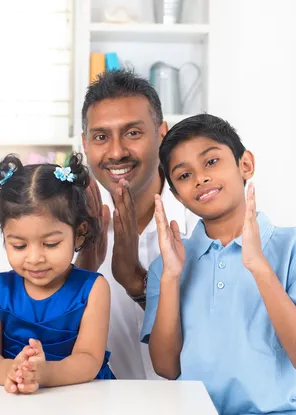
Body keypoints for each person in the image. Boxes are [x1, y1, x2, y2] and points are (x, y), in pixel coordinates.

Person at [143, 114, 296, 414]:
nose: (200, 178)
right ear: (176, 196)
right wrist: (172, 276)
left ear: (245, 164)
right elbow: (167, 367)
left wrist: (258, 265)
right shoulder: (169, 264)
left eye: (211, 162)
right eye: (184, 175)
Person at [77, 69, 199, 379]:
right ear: (85, 144)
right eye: (101, 137)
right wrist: (80, 272)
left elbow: (220, 341)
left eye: (133, 133)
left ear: (162, 135)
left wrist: (138, 284)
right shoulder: (69, 235)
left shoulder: (204, 224)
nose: (116, 152)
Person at [0, 153, 113, 394]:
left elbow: (89, 359)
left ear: (78, 234)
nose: (35, 258)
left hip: (82, 400)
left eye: (50, 244)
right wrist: (13, 372)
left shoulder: (94, 289)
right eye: (19, 245)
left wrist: (43, 373)